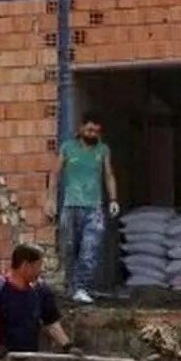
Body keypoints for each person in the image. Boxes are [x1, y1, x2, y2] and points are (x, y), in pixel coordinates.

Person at [45, 112, 120, 304]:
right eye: (89, 130)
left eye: (96, 131)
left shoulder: (103, 150)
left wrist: (113, 199)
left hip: (94, 208)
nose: (92, 133)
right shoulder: (68, 148)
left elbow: (108, 175)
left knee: (90, 248)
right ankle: (72, 288)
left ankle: (81, 288)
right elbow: (55, 175)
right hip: (70, 207)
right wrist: (51, 200)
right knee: (70, 249)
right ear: (80, 130)